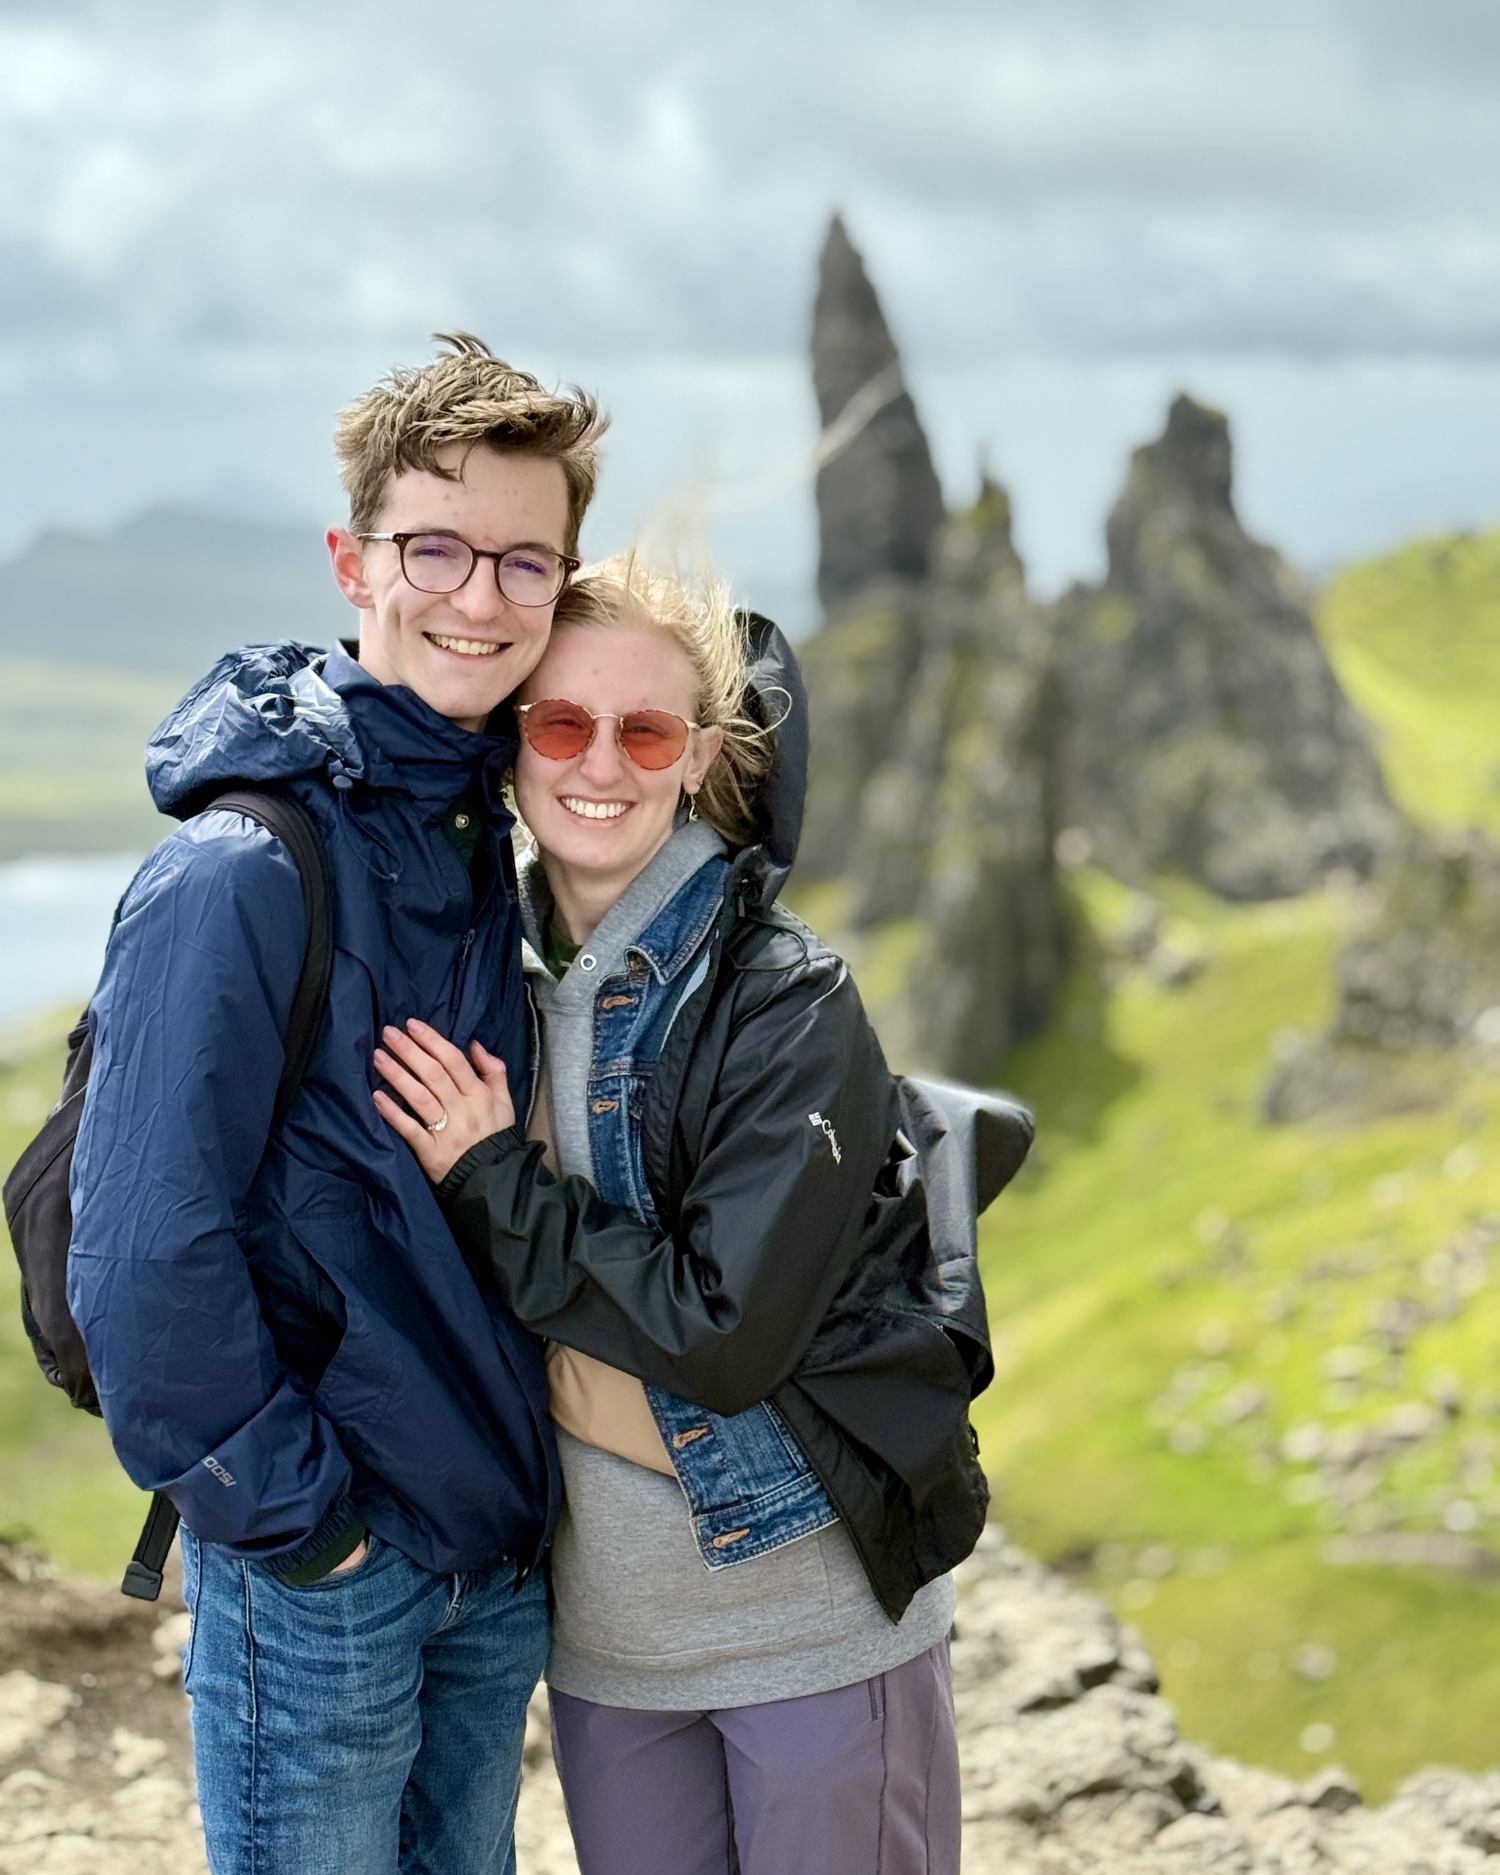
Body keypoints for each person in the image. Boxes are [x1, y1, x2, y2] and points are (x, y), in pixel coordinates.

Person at [375, 556, 1029, 1875]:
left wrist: (494, 1181)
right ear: (511, 745)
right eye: (560, 723)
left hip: (812, 1635)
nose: (598, 764)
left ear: (700, 758)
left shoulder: (789, 1002)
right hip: (611, 1658)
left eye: (645, 730)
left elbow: (721, 1331)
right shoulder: (473, 973)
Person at [67, 333, 607, 1875]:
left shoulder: (482, 840)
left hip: (491, 1561)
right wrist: (307, 1528)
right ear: (350, 560)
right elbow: (143, 1260)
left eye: (526, 563)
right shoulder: (238, 876)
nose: (479, 597)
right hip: (330, 1564)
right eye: (435, 546)